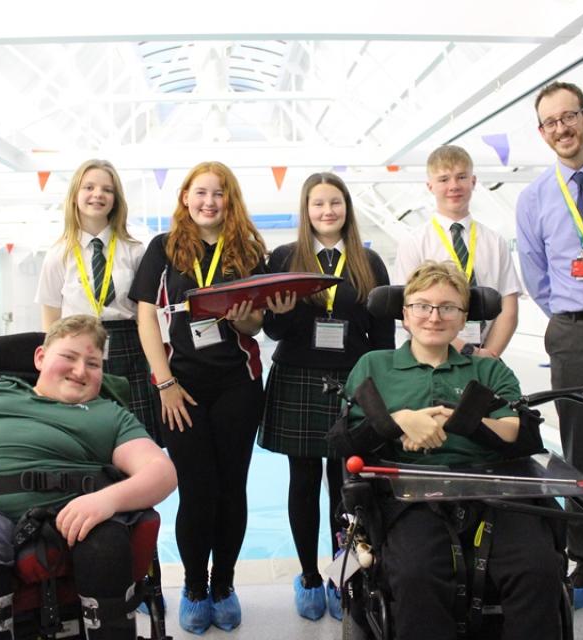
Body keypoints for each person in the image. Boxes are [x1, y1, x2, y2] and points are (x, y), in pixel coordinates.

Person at [344, 261, 563, 640]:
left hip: (493, 489)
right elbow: (345, 440)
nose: (434, 316)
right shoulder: (374, 365)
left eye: (448, 307)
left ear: (463, 319)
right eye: (422, 306)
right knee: (416, 572)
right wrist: (400, 421)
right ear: (404, 313)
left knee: (537, 566)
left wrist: (459, 420)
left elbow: (524, 435)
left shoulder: (487, 370)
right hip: (408, 494)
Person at [0, 315, 177, 640]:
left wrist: (106, 500)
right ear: (40, 357)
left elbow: (161, 472)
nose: (80, 370)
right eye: (69, 357)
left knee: (106, 540)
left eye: (93, 363)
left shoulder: (109, 414)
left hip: (71, 515)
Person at [129, 161, 268, 635]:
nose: (210, 201)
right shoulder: (163, 249)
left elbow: (255, 328)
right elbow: (146, 318)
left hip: (238, 384)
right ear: (185, 196)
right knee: (196, 491)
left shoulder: (247, 251)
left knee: (232, 489)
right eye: (201, 192)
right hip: (181, 387)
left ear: (231, 200)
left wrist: (245, 317)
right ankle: (192, 585)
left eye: (219, 193)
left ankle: (224, 584)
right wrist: (164, 382)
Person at [259, 171, 395, 622]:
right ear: (306, 210)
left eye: (335, 202)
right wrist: (276, 315)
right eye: (318, 204)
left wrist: (381, 393)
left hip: (353, 379)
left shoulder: (368, 262)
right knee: (302, 481)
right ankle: (309, 577)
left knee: (347, 485)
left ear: (346, 208)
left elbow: (383, 336)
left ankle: (345, 575)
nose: (327, 211)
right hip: (298, 375)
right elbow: (272, 330)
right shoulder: (284, 258)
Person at [516, 80, 583, 609]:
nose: (561, 128)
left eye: (569, 117)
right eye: (550, 122)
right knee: (581, 448)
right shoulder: (535, 197)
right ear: (542, 133)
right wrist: (571, 317)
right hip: (574, 331)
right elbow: (536, 276)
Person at [35, 159, 158, 441]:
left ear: (116, 200)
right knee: (84, 433)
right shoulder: (58, 254)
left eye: (107, 190)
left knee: (134, 434)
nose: (98, 195)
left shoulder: (135, 251)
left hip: (128, 346)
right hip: (76, 345)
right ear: (75, 196)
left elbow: (146, 314)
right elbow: (51, 317)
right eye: (89, 187)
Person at [394, 144, 522, 359]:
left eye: (461, 177)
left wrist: (488, 356)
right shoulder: (413, 242)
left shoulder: (495, 242)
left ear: (473, 181)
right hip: (430, 357)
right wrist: (468, 350)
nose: (454, 186)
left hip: (486, 356)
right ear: (430, 186)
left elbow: (508, 308)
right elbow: (408, 311)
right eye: (444, 179)